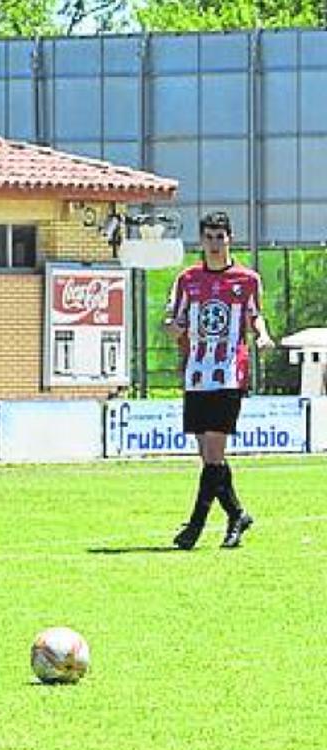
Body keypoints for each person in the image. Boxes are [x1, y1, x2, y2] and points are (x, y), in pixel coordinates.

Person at [164, 210, 274, 550]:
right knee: (209, 458)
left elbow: (256, 317)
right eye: (209, 237)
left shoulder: (247, 279)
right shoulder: (187, 279)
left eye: (220, 237)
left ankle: (194, 528)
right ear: (202, 240)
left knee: (213, 454)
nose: (214, 244)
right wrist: (171, 328)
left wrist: (263, 336)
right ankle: (237, 515)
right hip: (196, 374)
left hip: (228, 373)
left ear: (230, 239)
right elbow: (172, 318)